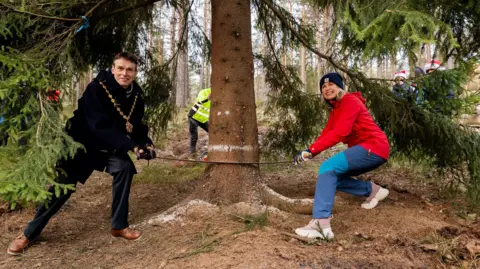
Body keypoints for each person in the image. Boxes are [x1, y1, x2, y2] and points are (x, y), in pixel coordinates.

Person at [7, 52, 157, 256]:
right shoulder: (96, 89)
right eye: (120, 68)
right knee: (62, 188)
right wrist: (130, 146)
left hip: (110, 146)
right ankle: (28, 233)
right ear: (112, 69)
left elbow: (136, 126)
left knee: (124, 168)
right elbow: (98, 126)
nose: (124, 73)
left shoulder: (136, 95)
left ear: (135, 72)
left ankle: (119, 226)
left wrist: (145, 144)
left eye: (129, 69)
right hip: (81, 145)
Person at [293, 72, 390, 240]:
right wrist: (308, 151)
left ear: (340, 87)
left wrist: (314, 150)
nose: (327, 88)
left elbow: (340, 132)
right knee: (331, 177)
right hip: (368, 149)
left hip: (373, 146)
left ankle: (320, 224)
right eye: (323, 86)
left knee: (328, 168)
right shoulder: (336, 110)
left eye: (331, 84)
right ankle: (373, 191)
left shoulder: (350, 101)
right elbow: (326, 133)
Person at [187, 88, 211, 155]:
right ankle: (192, 153)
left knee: (212, 132)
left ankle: (213, 149)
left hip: (203, 120)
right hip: (194, 117)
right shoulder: (204, 91)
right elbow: (201, 100)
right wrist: (208, 97)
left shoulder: (219, 96)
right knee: (194, 135)